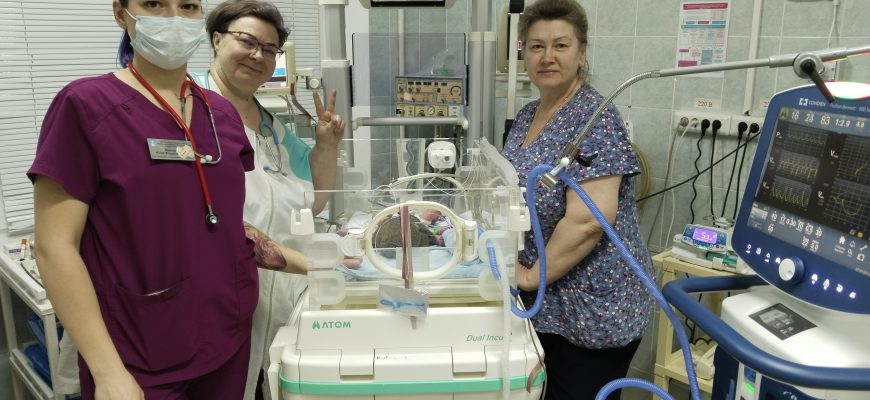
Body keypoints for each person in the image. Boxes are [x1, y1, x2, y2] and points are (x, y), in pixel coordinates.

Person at [30, 1, 258, 399]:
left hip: (228, 336)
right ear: (121, 13)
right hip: (138, 354)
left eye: (188, 6)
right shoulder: (86, 106)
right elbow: (55, 246)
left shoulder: (220, 113)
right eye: (154, 3)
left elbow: (220, 222)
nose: (174, 18)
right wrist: (107, 371)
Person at [500, 0, 655, 399]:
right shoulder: (528, 115)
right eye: (537, 46)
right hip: (547, 302)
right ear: (523, 53)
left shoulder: (595, 118)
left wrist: (530, 277)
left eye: (561, 45)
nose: (547, 57)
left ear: (581, 53)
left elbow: (587, 222)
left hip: (590, 309)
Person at [199, 1, 345, 398]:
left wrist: (326, 146)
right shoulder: (191, 109)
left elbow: (314, 199)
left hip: (277, 285)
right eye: (247, 41)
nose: (257, 55)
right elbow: (207, 219)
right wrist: (314, 264)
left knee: (265, 381)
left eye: (269, 49)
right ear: (217, 39)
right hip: (221, 289)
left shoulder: (268, 123)